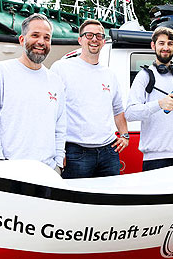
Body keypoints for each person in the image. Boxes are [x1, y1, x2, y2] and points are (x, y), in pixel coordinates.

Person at [0, 13, 66, 175]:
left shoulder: (55, 81)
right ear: (22, 40)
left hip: (47, 171)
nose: (41, 42)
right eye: (35, 35)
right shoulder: (0, 72)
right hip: (7, 168)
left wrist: (58, 162)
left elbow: (60, 126)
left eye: (47, 37)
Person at [50, 19, 129, 178]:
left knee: (109, 198)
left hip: (109, 151)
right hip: (76, 152)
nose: (94, 39)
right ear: (80, 39)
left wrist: (125, 136)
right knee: (77, 200)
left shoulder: (109, 74)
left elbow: (118, 110)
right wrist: (57, 151)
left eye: (99, 36)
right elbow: (50, 110)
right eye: (89, 35)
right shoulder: (61, 68)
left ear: (103, 41)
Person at [125, 27, 173, 171]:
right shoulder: (144, 76)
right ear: (153, 46)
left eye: (170, 44)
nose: (166, 48)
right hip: (156, 158)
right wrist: (159, 104)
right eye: (161, 43)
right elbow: (130, 113)